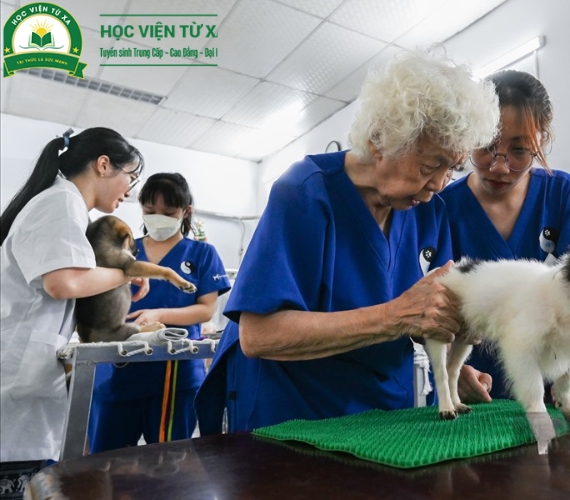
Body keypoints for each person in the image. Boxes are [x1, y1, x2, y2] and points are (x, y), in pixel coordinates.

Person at [195, 51, 500, 433]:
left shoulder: (428, 211)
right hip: (296, 416)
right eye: (429, 165)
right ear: (380, 140)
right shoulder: (304, 194)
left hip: (388, 413)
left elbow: (427, 315)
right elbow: (257, 335)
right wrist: (395, 316)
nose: (440, 184)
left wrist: (453, 365)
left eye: (451, 168)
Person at [438, 70, 570, 411]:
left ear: (541, 142)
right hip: (472, 397)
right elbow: (435, 303)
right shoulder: (442, 207)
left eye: (519, 150)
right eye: (487, 147)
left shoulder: (562, 194)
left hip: (554, 390)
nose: (500, 167)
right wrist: (453, 369)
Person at [0, 128, 144, 488]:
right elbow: (63, 282)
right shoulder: (61, 202)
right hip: (15, 379)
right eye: (131, 176)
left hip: (24, 375)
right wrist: (124, 273)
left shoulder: (67, 205)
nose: (130, 189)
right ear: (103, 165)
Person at [88, 173, 230, 453]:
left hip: (174, 373)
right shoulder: (125, 251)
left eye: (168, 212)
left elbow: (205, 310)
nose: (158, 218)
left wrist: (158, 314)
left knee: (169, 464)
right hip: (118, 369)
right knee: (105, 461)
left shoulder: (203, 254)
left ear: (185, 211)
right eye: (150, 211)